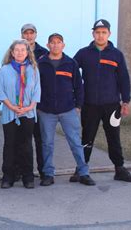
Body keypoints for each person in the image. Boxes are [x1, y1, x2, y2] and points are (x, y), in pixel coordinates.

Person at [73, 19, 131, 183]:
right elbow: (71, 71)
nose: (100, 35)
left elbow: (124, 78)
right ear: (93, 34)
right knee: (87, 138)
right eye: (97, 32)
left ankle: (120, 169)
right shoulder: (83, 53)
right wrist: (76, 98)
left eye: (104, 32)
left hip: (112, 106)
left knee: (113, 137)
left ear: (109, 34)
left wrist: (126, 101)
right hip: (89, 105)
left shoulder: (116, 54)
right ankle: (81, 170)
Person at [37, 33, 95, 187]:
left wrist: (78, 106)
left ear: (63, 45)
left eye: (59, 42)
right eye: (52, 42)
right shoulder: (40, 63)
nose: (55, 45)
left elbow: (79, 86)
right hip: (46, 111)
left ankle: (83, 172)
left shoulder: (71, 63)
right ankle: (48, 174)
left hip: (68, 110)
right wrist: (37, 106)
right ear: (48, 45)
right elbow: (35, 87)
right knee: (47, 144)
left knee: (75, 142)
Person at [0, 39, 40, 189]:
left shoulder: (33, 69)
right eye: (17, 50)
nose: (20, 52)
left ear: (28, 52)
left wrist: (28, 108)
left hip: (27, 114)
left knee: (26, 145)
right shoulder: (5, 69)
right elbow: (1, 92)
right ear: (12, 52)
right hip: (10, 113)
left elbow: (37, 91)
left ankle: (27, 177)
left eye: (23, 50)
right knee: (10, 145)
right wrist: (12, 107)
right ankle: (8, 176)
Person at [21, 23, 49, 179]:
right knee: (22, 140)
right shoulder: (16, 52)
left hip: (39, 105)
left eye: (31, 33)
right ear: (22, 35)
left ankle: (43, 170)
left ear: (36, 35)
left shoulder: (44, 54)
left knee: (40, 139)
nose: (29, 36)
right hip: (21, 105)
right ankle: (23, 170)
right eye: (26, 33)